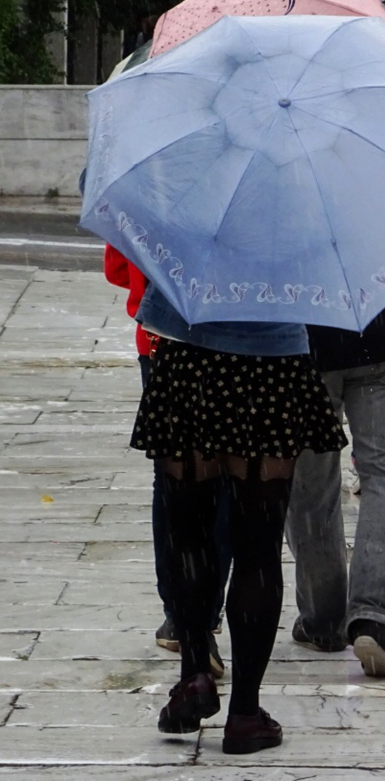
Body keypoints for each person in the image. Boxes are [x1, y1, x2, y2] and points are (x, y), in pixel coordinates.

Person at [133, 282, 346, 754]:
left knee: (187, 533)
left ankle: (194, 675)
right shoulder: (301, 207)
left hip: (188, 354)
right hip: (273, 364)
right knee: (258, 545)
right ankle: (245, 713)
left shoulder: (185, 203)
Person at [286, 266, 385, 677]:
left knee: (309, 482)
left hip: (303, 334)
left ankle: (323, 619)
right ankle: (373, 617)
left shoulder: (283, 200)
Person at [104, 246, 231, 675]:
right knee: (229, 476)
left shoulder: (150, 182)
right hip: (238, 340)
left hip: (161, 339)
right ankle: (207, 610)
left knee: (172, 477)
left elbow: (118, 268)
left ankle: (179, 613)